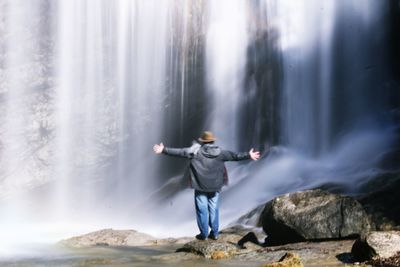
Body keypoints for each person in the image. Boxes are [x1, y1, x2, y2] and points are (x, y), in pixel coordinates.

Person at [153, 131, 260, 240]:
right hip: (215, 187)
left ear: (202, 142)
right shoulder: (221, 153)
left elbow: (180, 152)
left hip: (200, 186)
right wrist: (249, 155)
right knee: (213, 209)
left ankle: (203, 234)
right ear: (213, 141)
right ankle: (215, 233)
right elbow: (235, 156)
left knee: (202, 210)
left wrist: (163, 150)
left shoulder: (194, 152)